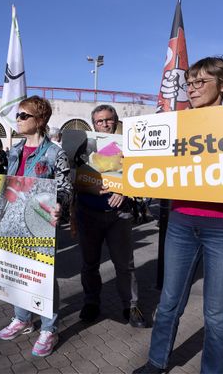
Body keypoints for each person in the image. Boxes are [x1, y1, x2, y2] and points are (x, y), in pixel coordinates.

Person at [134, 56, 223, 374]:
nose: (192, 89)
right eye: (189, 82)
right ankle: (157, 362)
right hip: (181, 224)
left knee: (217, 314)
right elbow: (152, 168)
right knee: (169, 302)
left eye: (200, 82)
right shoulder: (176, 123)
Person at [0, 96, 73, 357]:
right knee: (18, 272)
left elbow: (65, 188)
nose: (17, 120)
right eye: (18, 115)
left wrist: (60, 203)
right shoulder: (16, 150)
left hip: (39, 223)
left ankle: (49, 328)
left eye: (23, 115)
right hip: (12, 222)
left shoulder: (55, 153)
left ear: (40, 120)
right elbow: (9, 183)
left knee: (42, 275)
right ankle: (23, 319)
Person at [75, 105, 147, 328]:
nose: (105, 124)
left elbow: (143, 175)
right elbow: (72, 178)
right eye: (100, 121)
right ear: (93, 124)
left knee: (125, 264)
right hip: (88, 212)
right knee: (89, 264)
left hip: (119, 214)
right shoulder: (82, 147)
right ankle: (91, 303)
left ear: (116, 121)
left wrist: (125, 190)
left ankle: (131, 306)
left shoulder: (130, 146)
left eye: (108, 120)